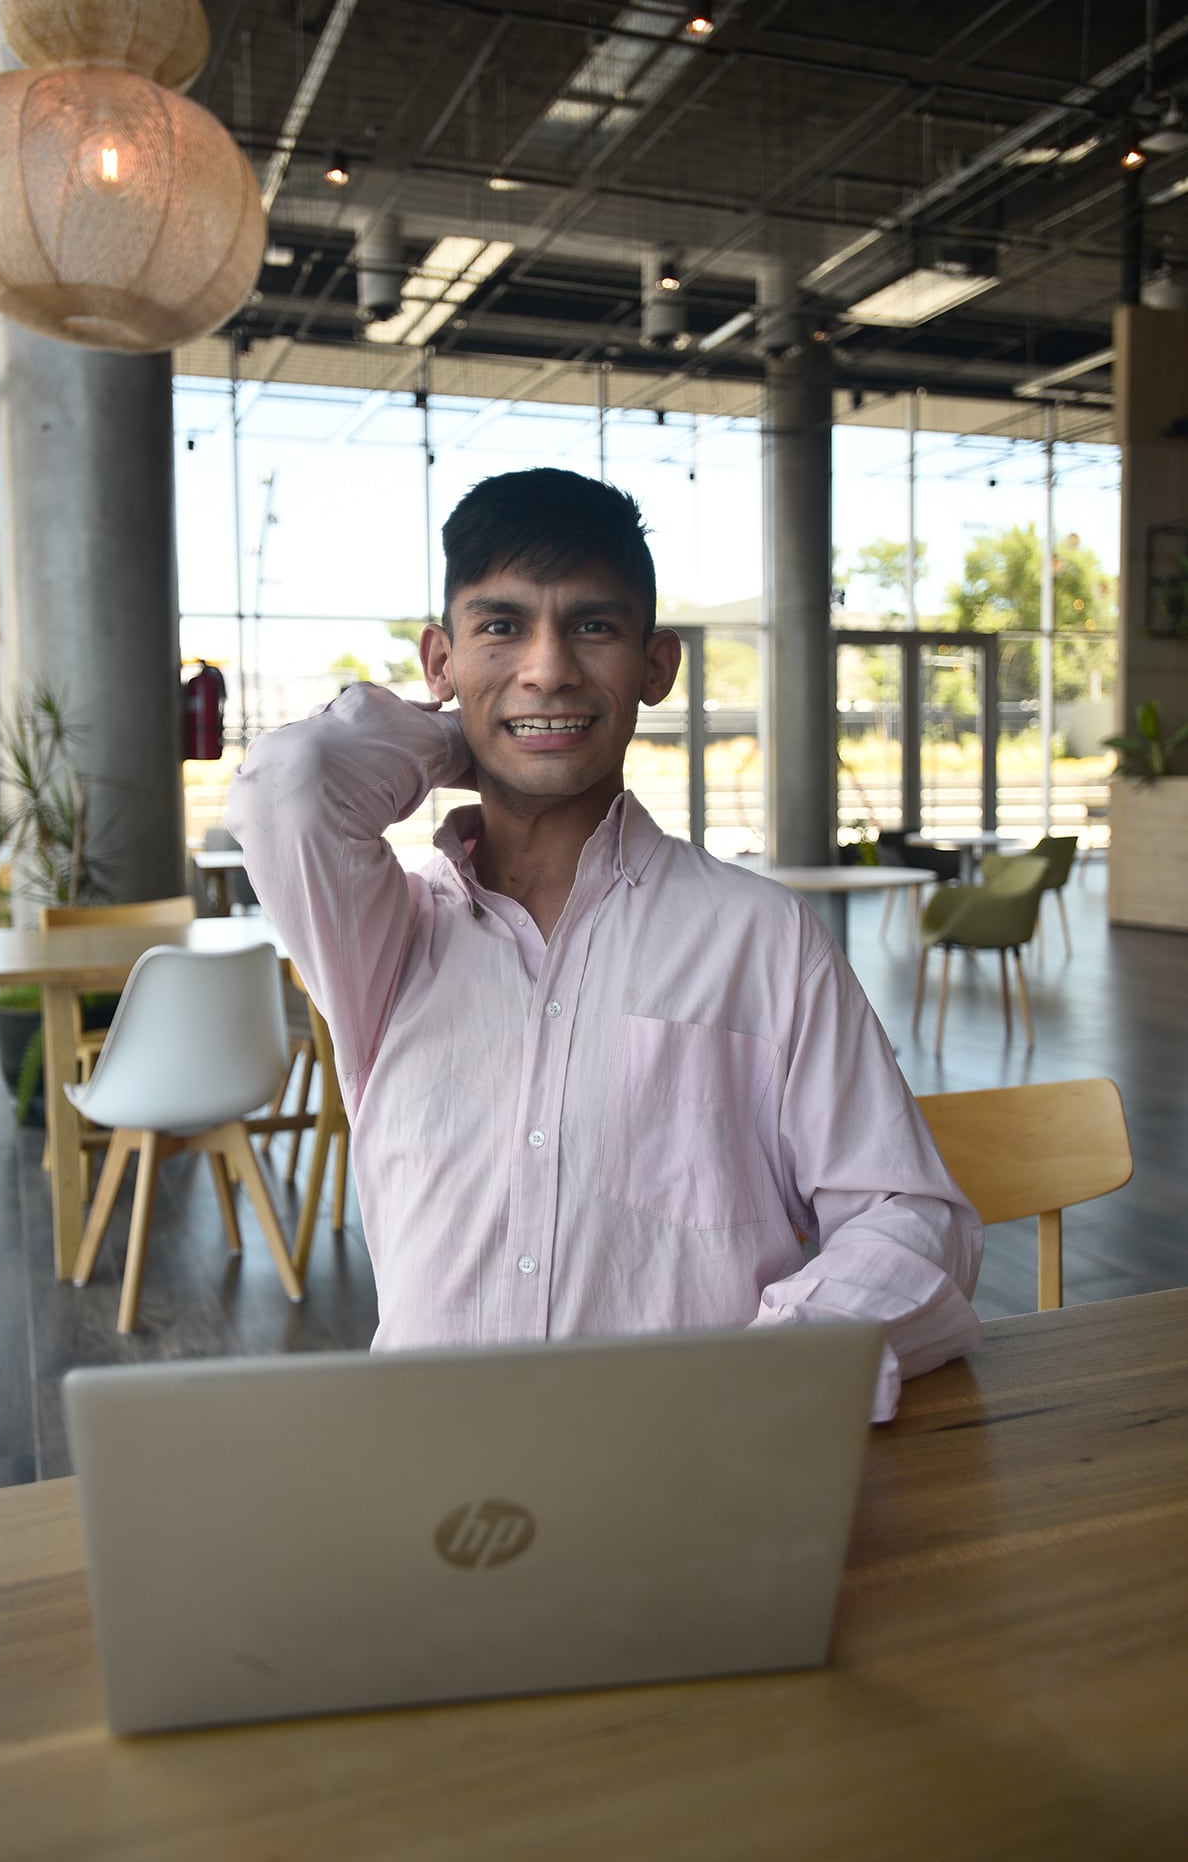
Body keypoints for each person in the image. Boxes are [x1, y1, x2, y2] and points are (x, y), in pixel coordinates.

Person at [226, 468, 982, 1419]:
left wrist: (767, 1375)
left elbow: (909, 1217)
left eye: (592, 627)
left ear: (655, 666)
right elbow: (288, 782)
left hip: (687, 1471)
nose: (548, 665)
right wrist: (484, 730)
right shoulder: (384, 940)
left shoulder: (761, 938)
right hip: (432, 1476)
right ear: (438, 658)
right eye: (500, 627)